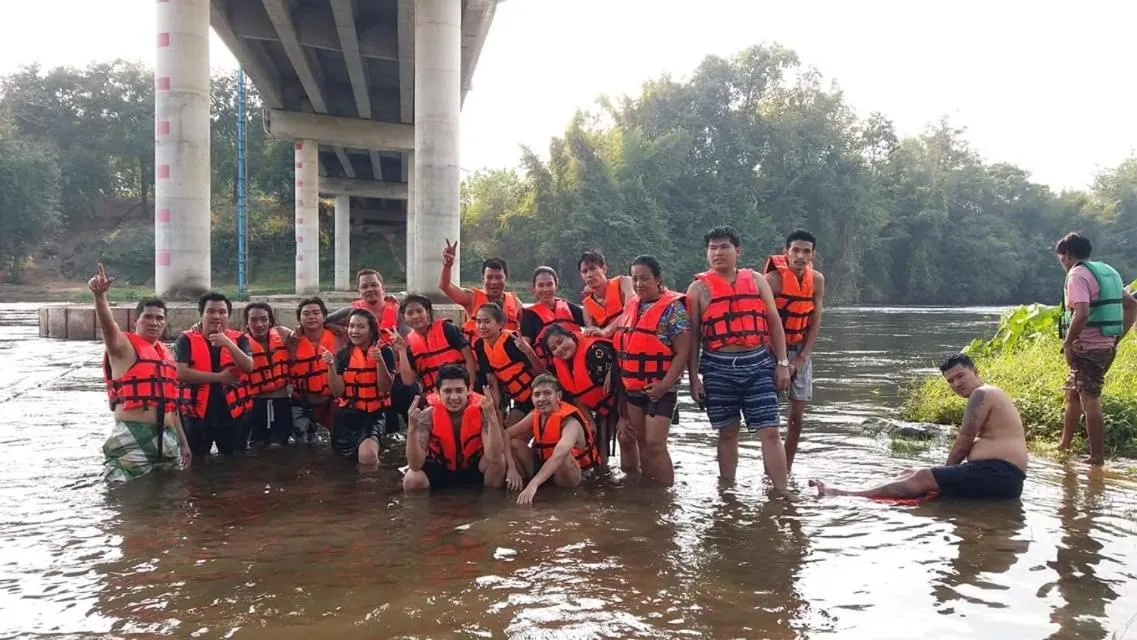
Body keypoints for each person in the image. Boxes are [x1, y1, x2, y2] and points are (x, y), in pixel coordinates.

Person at [810, 354, 1029, 500]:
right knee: (912, 472)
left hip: (1000, 475)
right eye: (950, 381)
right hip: (1001, 479)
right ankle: (862, 489)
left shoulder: (982, 393)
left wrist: (940, 475)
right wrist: (941, 475)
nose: (956, 384)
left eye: (961, 376)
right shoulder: (990, 393)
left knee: (923, 476)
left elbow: (964, 440)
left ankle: (844, 493)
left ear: (976, 371)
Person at [686, 225, 791, 490]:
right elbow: (693, 338)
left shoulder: (756, 280)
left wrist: (782, 363)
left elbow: (774, 322)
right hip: (718, 368)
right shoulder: (697, 290)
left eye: (724, 247)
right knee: (727, 432)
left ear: (737, 251)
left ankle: (781, 494)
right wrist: (693, 379)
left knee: (770, 431)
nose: (718, 253)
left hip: (757, 363)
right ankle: (727, 494)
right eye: (713, 248)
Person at [90, 263, 189, 482]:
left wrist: (184, 442)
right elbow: (108, 327)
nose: (154, 322)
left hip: (168, 438)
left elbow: (173, 407)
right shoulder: (123, 348)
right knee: (127, 500)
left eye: (160, 318)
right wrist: (99, 297)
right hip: (133, 435)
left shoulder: (166, 354)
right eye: (148, 317)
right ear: (136, 321)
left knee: (168, 503)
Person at [1055, 232, 1137, 466]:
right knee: (1073, 393)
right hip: (1103, 345)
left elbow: (1081, 313)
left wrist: (1068, 343)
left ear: (1067, 255)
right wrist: (1115, 338)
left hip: (1086, 348)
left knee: (1090, 398)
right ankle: (1065, 444)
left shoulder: (1077, 275)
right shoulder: (1107, 271)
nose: (1061, 261)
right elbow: (1131, 305)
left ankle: (1096, 458)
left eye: (1061, 256)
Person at [615, 255, 690, 484]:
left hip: (661, 389)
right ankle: (649, 491)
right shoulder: (632, 307)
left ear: (657, 279)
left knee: (656, 444)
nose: (639, 284)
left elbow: (683, 353)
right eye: (635, 279)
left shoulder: (673, 309)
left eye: (645, 279)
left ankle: (666, 494)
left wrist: (664, 385)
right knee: (641, 441)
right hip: (634, 389)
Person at [764, 229, 826, 470]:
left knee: (796, 421)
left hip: (800, 350)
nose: (800, 256)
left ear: (812, 255)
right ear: (786, 252)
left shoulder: (817, 280)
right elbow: (764, 322)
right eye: (795, 251)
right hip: (771, 351)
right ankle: (770, 472)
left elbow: (815, 322)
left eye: (806, 251)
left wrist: (801, 359)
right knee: (769, 421)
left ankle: (785, 470)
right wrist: (781, 361)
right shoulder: (773, 280)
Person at [327, 268, 416, 433]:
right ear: (359, 291)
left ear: (384, 289)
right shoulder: (351, 313)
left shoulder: (399, 313)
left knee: (413, 425)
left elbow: (416, 332)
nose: (369, 289)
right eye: (365, 286)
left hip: (398, 379)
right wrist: (335, 327)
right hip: (373, 382)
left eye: (374, 285)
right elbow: (323, 321)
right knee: (387, 430)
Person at [402, 365, 510, 490]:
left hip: (472, 468)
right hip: (441, 470)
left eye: (459, 390)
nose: (454, 397)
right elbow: (415, 465)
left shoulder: (483, 410)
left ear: (469, 390)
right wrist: (412, 429)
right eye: (447, 391)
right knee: (412, 478)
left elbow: (495, 457)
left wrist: (492, 418)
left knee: (499, 464)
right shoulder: (427, 415)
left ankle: (491, 506)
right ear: (437, 392)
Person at [175, 292, 255, 457]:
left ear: (228, 316)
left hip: (232, 415)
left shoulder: (240, 339)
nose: (216, 316)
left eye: (222, 312)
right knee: (195, 464)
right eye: (210, 311)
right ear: (202, 314)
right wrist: (220, 378)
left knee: (235, 463)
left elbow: (248, 367)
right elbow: (180, 373)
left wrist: (227, 343)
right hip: (197, 415)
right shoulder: (186, 339)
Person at [506, 374, 600, 504]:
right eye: (537, 395)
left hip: (576, 475)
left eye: (547, 393)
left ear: (558, 396)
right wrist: (512, 468)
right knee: (514, 444)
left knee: (564, 456)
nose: (541, 399)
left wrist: (533, 484)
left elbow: (558, 456)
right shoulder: (535, 414)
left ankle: (562, 501)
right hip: (543, 468)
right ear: (532, 398)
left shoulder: (571, 423)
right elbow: (505, 435)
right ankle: (525, 488)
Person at [325, 309, 397, 466]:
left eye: (360, 327)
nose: (354, 331)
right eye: (351, 326)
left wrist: (379, 362)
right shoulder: (343, 355)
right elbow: (338, 392)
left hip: (373, 414)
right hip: (346, 416)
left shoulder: (385, 352)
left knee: (368, 456)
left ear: (371, 331)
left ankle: (371, 489)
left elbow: (385, 388)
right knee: (343, 465)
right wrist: (331, 366)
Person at [544, 324, 621, 466]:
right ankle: (604, 480)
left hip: (621, 403)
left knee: (626, 438)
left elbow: (623, 370)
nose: (559, 349)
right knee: (599, 449)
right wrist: (590, 421)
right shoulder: (563, 364)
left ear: (571, 336)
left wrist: (624, 418)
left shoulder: (595, 351)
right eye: (554, 349)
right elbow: (576, 396)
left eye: (560, 342)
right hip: (601, 408)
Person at [472, 302, 545, 426]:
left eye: (487, 321)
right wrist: (496, 415)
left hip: (538, 396)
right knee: (505, 432)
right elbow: (492, 381)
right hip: (520, 402)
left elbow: (540, 373)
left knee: (513, 437)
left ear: (500, 323)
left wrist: (528, 351)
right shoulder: (480, 345)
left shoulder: (513, 341)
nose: (482, 326)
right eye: (478, 321)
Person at [438, 240, 524, 341]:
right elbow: (445, 286)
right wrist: (447, 265)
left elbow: (528, 326)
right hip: (478, 354)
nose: (494, 282)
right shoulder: (471, 298)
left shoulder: (515, 302)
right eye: (489, 277)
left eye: (498, 277)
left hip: (506, 354)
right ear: (483, 279)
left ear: (506, 278)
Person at [392, 294, 476, 395]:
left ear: (427, 312)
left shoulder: (446, 328)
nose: (415, 316)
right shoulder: (407, 343)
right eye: (410, 313)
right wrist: (402, 350)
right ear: (404, 318)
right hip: (433, 397)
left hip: (460, 392)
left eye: (419, 311)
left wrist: (470, 388)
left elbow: (469, 358)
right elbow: (408, 381)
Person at [288, 296, 342, 443]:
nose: (311, 316)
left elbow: (356, 312)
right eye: (306, 314)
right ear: (299, 319)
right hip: (301, 401)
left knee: (340, 440)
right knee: (302, 444)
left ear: (324, 316)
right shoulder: (291, 341)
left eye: (316, 313)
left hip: (331, 399)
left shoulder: (339, 336)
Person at [243, 303, 295, 449]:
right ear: (247, 323)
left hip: (281, 403)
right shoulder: (240, 342)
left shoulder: (283, 334)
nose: (259, 324)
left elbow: (310, 331)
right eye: (253, 319)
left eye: (264, 319)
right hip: (255, 405)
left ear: (270, 321)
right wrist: (198, 326)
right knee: (255, 448)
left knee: (278, 448)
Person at [520, 266, 585, 359]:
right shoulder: (529, 315)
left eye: (549, 284)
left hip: (578, 359)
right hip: (550, 368)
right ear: (533, 287)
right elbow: (525, 347)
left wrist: (588, 298)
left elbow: (591, 322)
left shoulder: (568, 307)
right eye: (541, 285)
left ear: (556, 284)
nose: (545, 289)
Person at [578, 249, 634, 338]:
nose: (589, 275)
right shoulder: (587, 307)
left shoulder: (625, 283)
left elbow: (632, 309)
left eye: (593, 268)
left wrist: (607, 331)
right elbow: (592, 331)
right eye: (584, 271)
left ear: (604, 269)